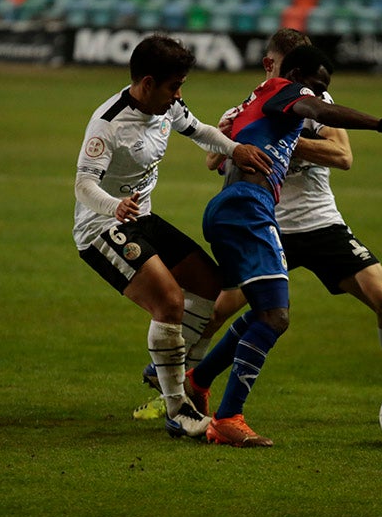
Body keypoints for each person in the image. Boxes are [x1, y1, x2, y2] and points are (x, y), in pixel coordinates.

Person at [190, 44, 382, 447]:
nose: (319, 93)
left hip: (307, 222)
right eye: (314, 84)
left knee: (276, 312)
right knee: (260, 315)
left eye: (324, 88)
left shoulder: (286, 98)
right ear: (289, 69)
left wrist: (281, 141)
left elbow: (340, 151)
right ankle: (202, 401)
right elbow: (216, 157)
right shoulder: (284, 93)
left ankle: (196, 383)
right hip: (255, 215)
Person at [73, 34, 272, 440]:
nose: (179, 95)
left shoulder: (169, 108)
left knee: (210, 284)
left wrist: (234, 150)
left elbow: (197, 129)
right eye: (173, 86)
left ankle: (167, 370)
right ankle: (178, 408)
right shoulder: (108, 124)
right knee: (170, 301)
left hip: (141, 218)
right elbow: (83, 184)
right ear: (148, 83)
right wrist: (115, 206)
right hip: (101, 227)